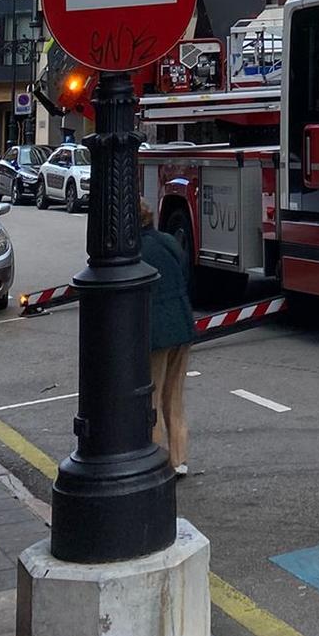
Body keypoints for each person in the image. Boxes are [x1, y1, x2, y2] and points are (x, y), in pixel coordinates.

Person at [139, 199, 195, 477]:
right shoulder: (169, 241)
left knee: (153, 394)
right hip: (182, 324)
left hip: (158, 330)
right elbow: (184, 272)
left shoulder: (135, 250)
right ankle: (179, 458)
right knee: (175, 396)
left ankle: (158, 459)